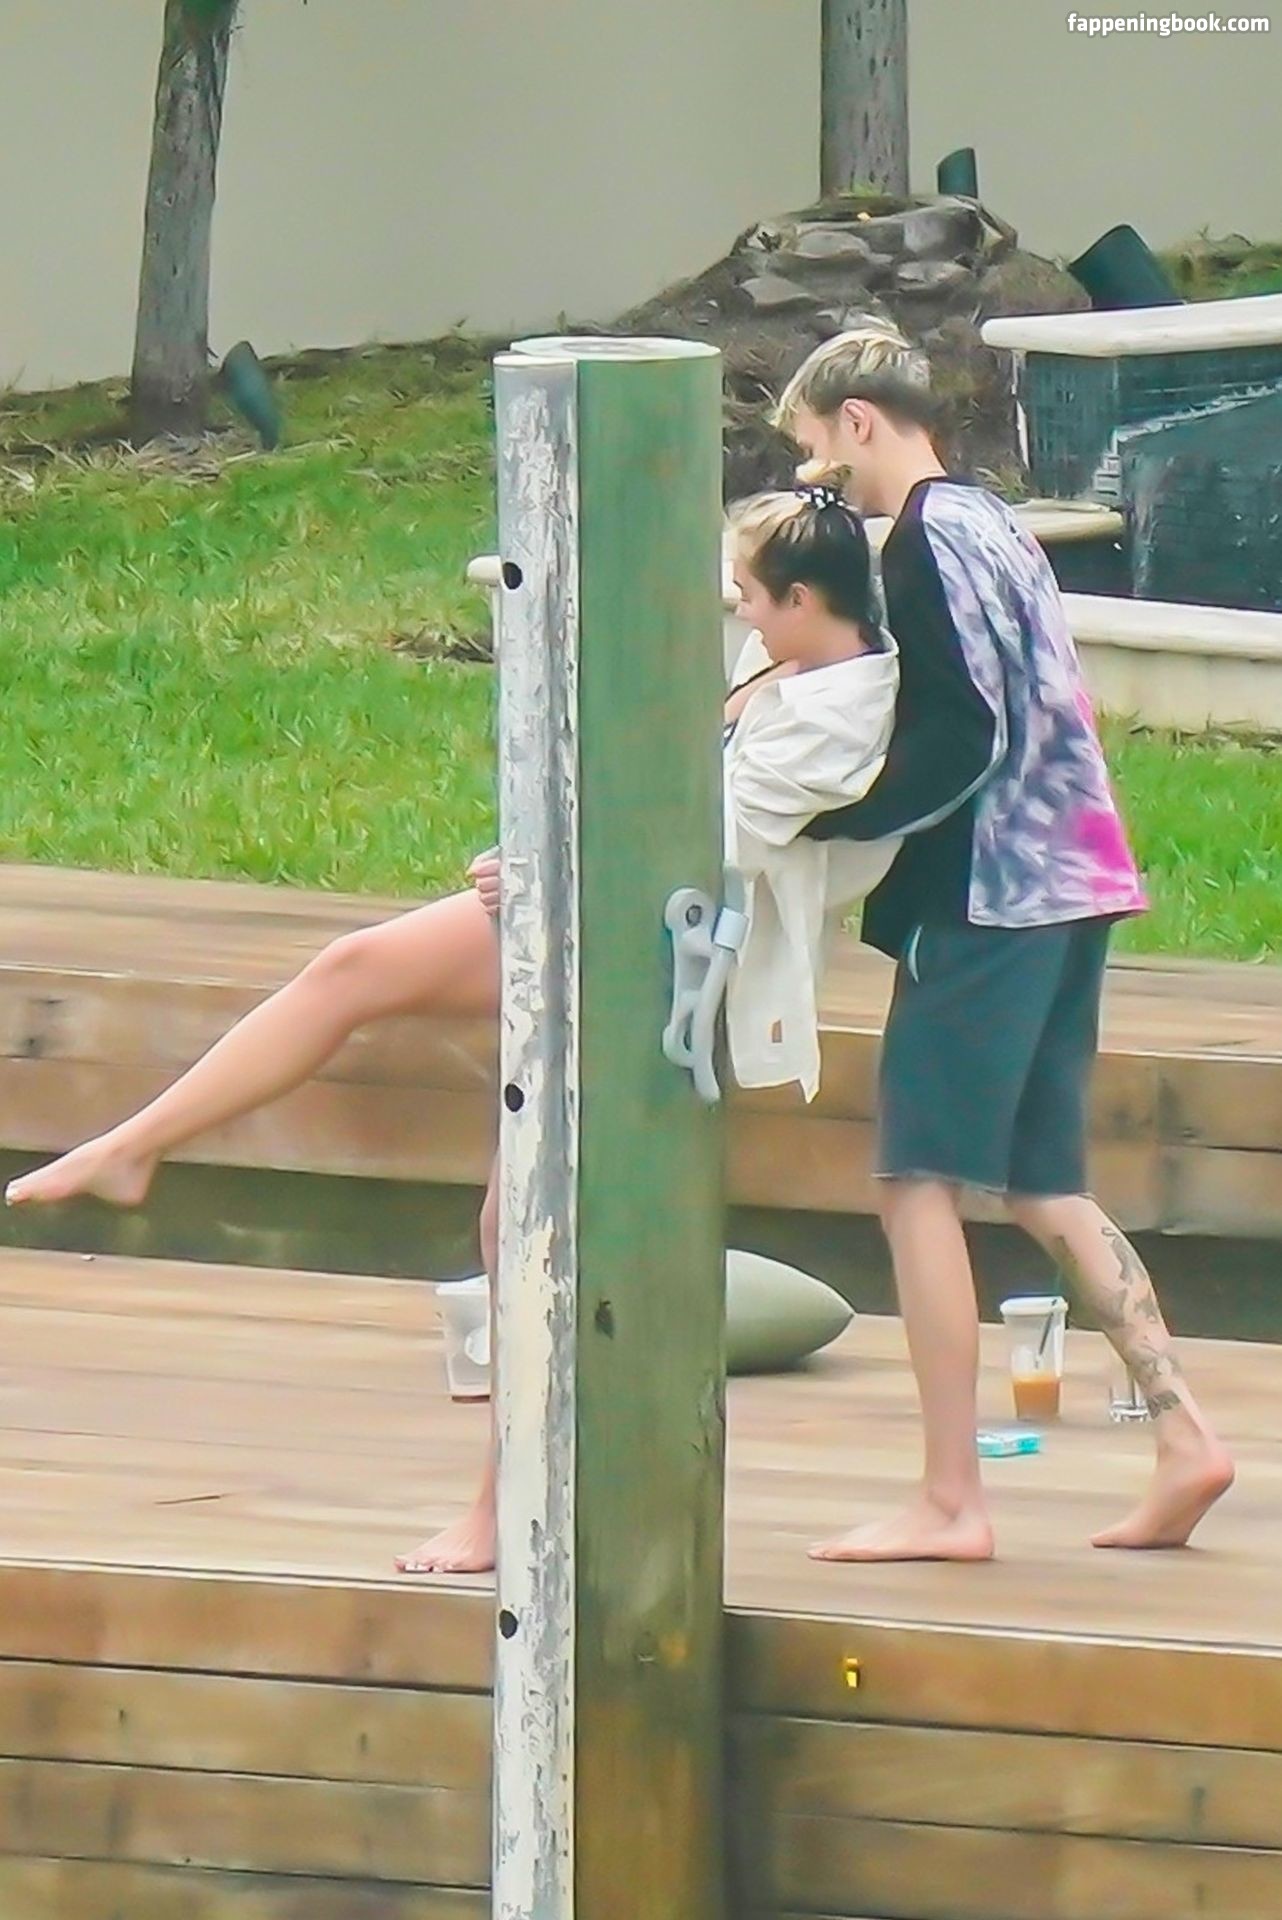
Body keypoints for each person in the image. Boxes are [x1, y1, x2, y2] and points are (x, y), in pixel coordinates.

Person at [8, 485, 901, 1574]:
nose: (738, 611)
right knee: (352, 972)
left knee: (518, 1226)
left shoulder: (840, 712)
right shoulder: (784, 661)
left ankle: (501, 1504)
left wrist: (540, 867)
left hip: (651, 957)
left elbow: (701, 840)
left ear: (803, 599)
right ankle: (132, 1145)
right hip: (585, 912)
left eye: (750, 594)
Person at [771, 321, 1235, 1564]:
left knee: (913, 1180)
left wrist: (826, 818)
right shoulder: (992, 520)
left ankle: (948, 1499)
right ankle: (1186, 1436)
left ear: (859, 420)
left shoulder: (923, 538)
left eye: (818, 449)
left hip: (990, 897)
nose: (820, 479)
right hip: (1079, 880)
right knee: (1040, 1181)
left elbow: (962, 733)